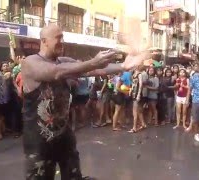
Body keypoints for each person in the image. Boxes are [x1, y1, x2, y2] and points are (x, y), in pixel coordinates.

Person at [21, 24, 149, 180]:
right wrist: (93, 62)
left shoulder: (63, 60)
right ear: (44, 41)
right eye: (58, 38)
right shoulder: (30, 62)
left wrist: (123, 66)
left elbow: (93, 70)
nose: (62, 41)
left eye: (63, 37)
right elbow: (56, 72)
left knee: (74, 176)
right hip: (38, 140)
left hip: (63, 134)